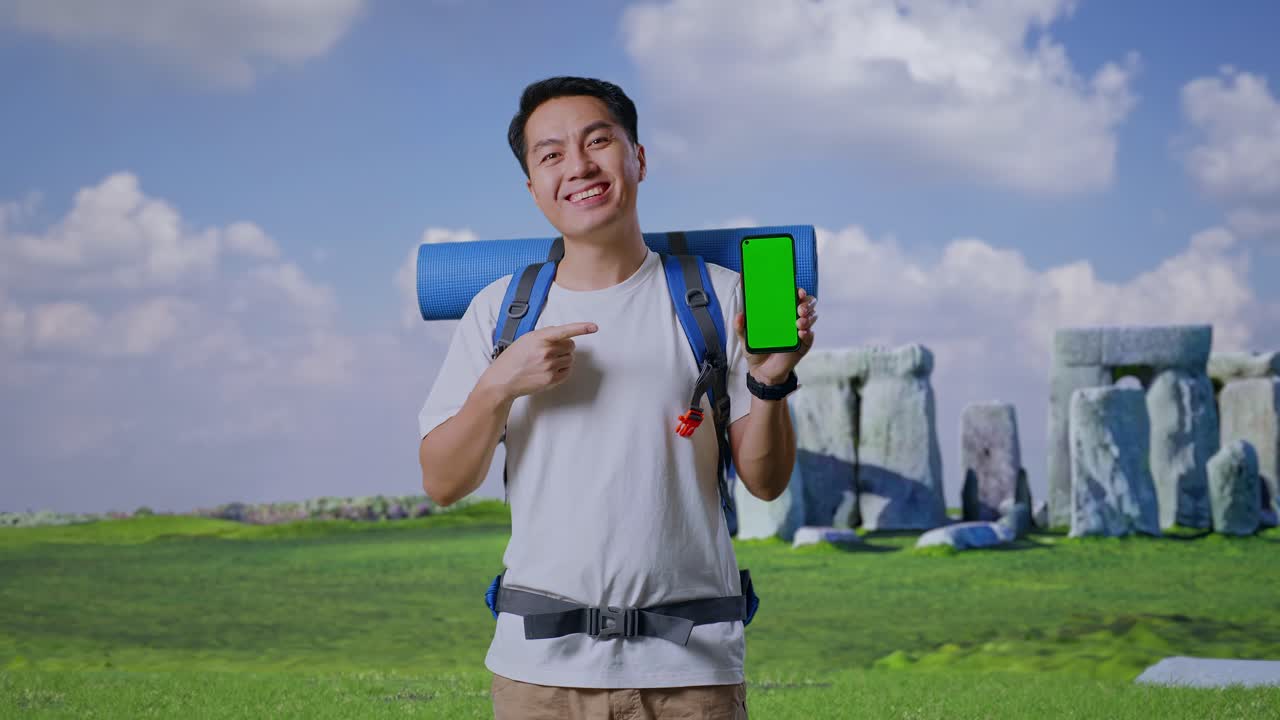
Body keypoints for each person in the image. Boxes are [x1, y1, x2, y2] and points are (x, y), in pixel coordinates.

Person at [417, 76, 819, 720]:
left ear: (638, 157)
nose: (578, 165)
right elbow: (442, 481)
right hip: (539, 678)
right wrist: (499, 383)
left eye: (598, 140)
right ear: (532, 187)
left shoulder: (720, 298)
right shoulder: (499, 312)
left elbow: (765, 483)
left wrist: (770, 379)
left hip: (692, 674)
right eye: (551, 155)